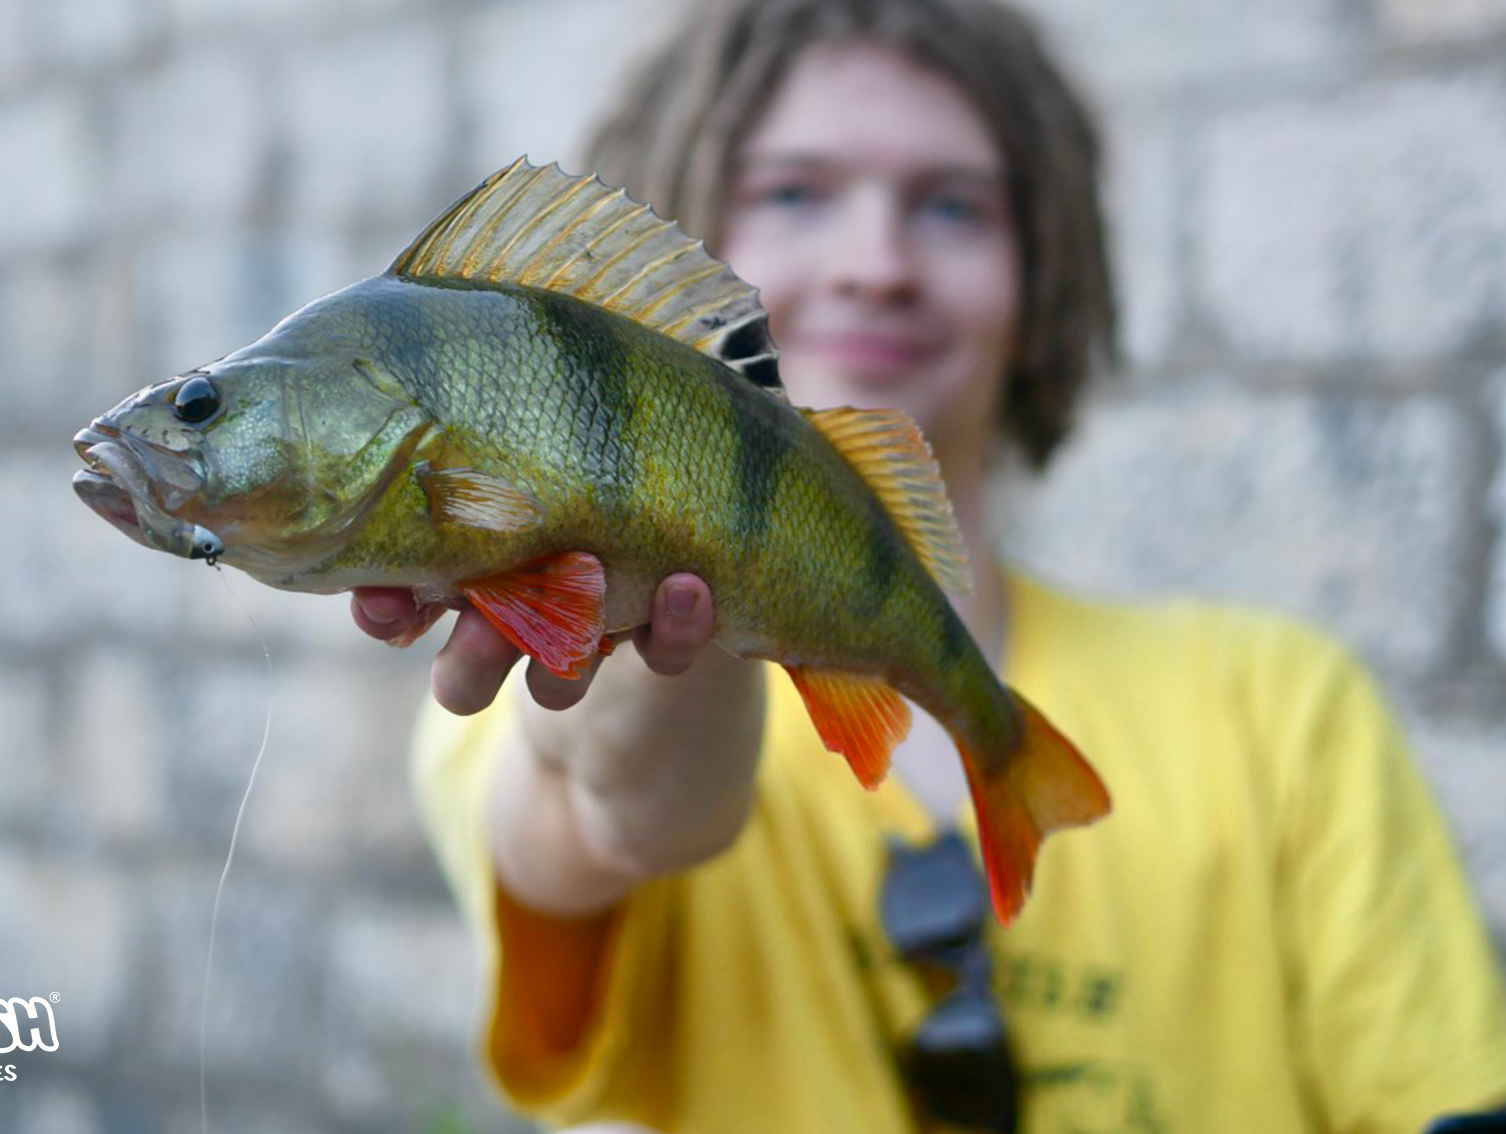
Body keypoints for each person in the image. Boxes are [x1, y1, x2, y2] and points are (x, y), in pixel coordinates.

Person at [350, 0, 1506, 1130]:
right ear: (653, 249)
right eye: (792, 192)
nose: (875, 262)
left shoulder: (1283, 706)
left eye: (952, 207)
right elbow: (605, 812)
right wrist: (660, 584)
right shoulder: (498, 715)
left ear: (1043, 269)